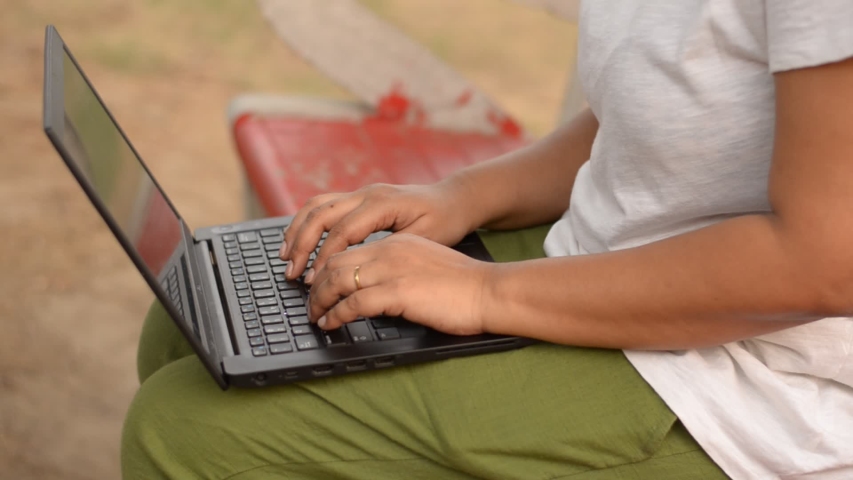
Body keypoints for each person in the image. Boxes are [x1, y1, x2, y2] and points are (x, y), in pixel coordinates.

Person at [121, 1, 853, 478]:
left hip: (749, 380)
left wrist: (482, 290)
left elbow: (823, 264)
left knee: (188, 433)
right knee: (194, 320)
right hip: (598, 255)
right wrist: (460, 196)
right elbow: (669, 114)